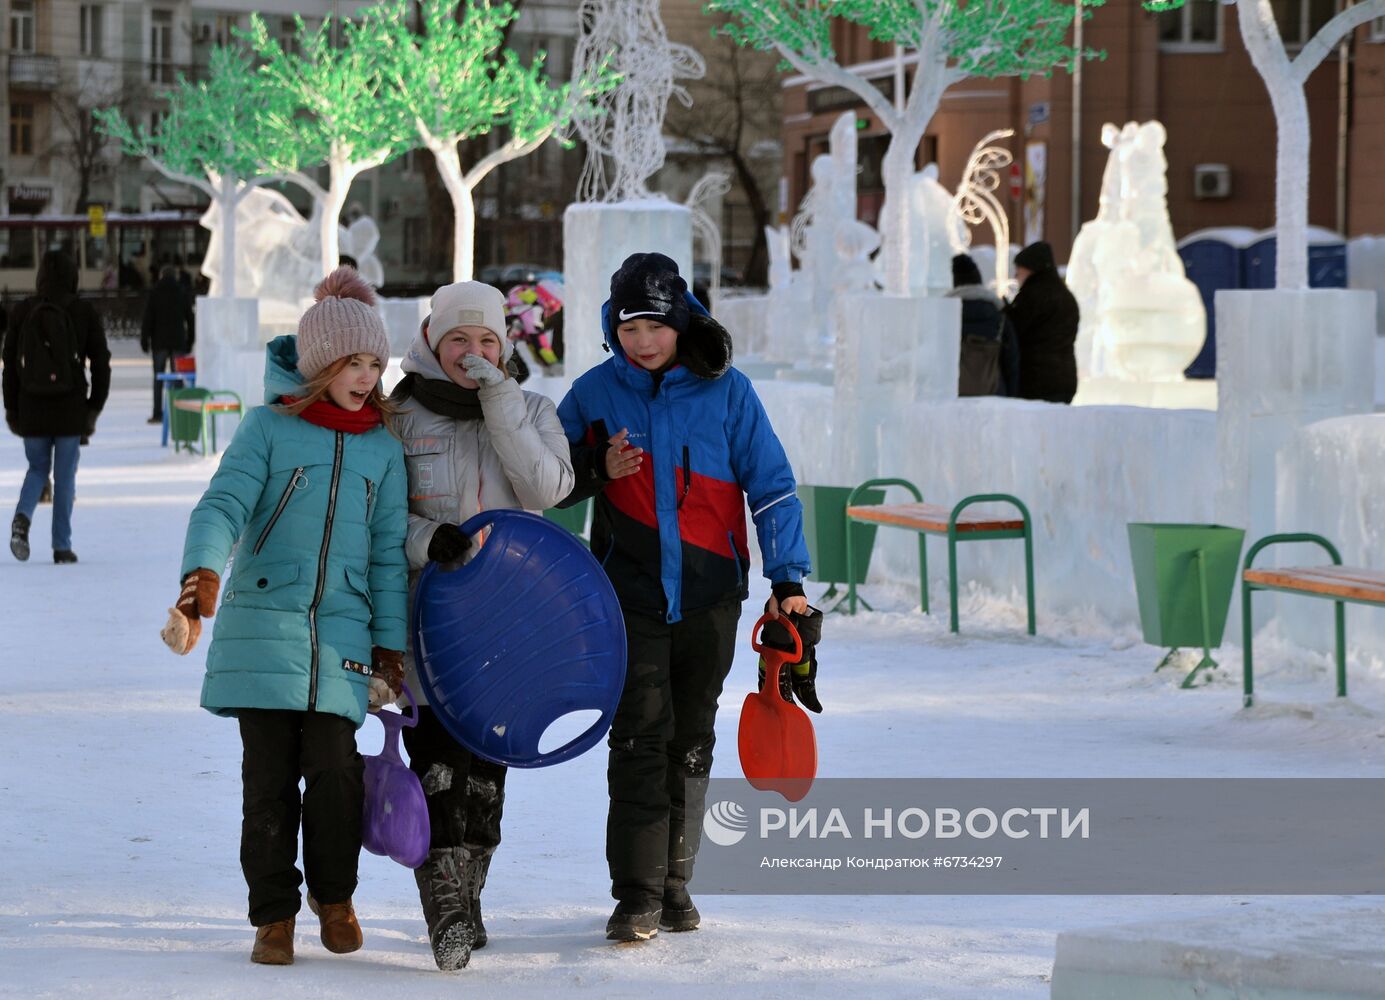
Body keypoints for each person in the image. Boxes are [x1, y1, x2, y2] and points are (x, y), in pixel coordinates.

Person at [555, 253, 815, 942]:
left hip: (710, 594)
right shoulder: (591, 393)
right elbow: (544, 476)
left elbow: (772, 484)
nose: (642, 340)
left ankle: (676, 883)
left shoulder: (726, 391)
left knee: (691, 736)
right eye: (629, 325)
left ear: (681, 322)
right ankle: (636, 893)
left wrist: (786, 579)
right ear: (612, 325)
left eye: (655, 326)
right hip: (627, 594)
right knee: (640, 733)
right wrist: (593, 467)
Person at [158, 267, 409, 967]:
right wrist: (200, 573)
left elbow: (389, 554)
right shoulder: (268, 429)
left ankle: (335, 898)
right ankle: (273, 916)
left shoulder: (382, 450)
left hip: (342, 636)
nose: (364, 377)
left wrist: (390, 647)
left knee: (336, 768)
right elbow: (222, 505)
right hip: (261, 625)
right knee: (266, 781)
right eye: (350, 363)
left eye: (373, 364)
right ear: (319, 365)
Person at [391, 280, 575, 971]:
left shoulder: (530, 408)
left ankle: (470, 897)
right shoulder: (398, 415)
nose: (471, 352)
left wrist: (499, 400)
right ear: (432, 340)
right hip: (428, 624)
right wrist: (424, 539)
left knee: (487, 778)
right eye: (458, 339)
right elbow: (377, 515)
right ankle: (443, 910)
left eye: (487, 340)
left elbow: (546, 490)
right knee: (437, 767)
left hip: (507, 627)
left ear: (505, 346)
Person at [3, 248, 110, 564]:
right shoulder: (82, 311)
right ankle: (61, 546)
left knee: (37, 468)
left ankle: (22, 517)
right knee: (65, 477)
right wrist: (93, 407)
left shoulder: (24, 311)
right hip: (70, 408)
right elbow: (101, 362)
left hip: (31, 406)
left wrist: (12, 408)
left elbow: (9, 363)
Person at [1006, 240, 1080, 404]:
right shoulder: (1066, 296)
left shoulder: (1032, 295)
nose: (1016, 275)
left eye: (1019, 269)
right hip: (1065, 379)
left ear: (1031, 268)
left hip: (1036, 380)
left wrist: (1005, 312)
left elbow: (1014, 329)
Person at [947, 253, 1019, 397]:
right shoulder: (998, 315)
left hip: (953, 392)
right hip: (994, 392)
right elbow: (1011, 360)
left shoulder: (945, 315)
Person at [141, 263, 196, 424]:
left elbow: (148, 318)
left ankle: (158, 413)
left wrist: (145, 340)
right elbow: (190, 318)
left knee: (158, 378)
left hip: (159, 342)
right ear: (175, 276)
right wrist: (190, 340)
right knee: (178, 377)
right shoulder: (182, 291)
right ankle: (178, 412)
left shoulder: (155, 292)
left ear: (161, 276)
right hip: (178, 341)